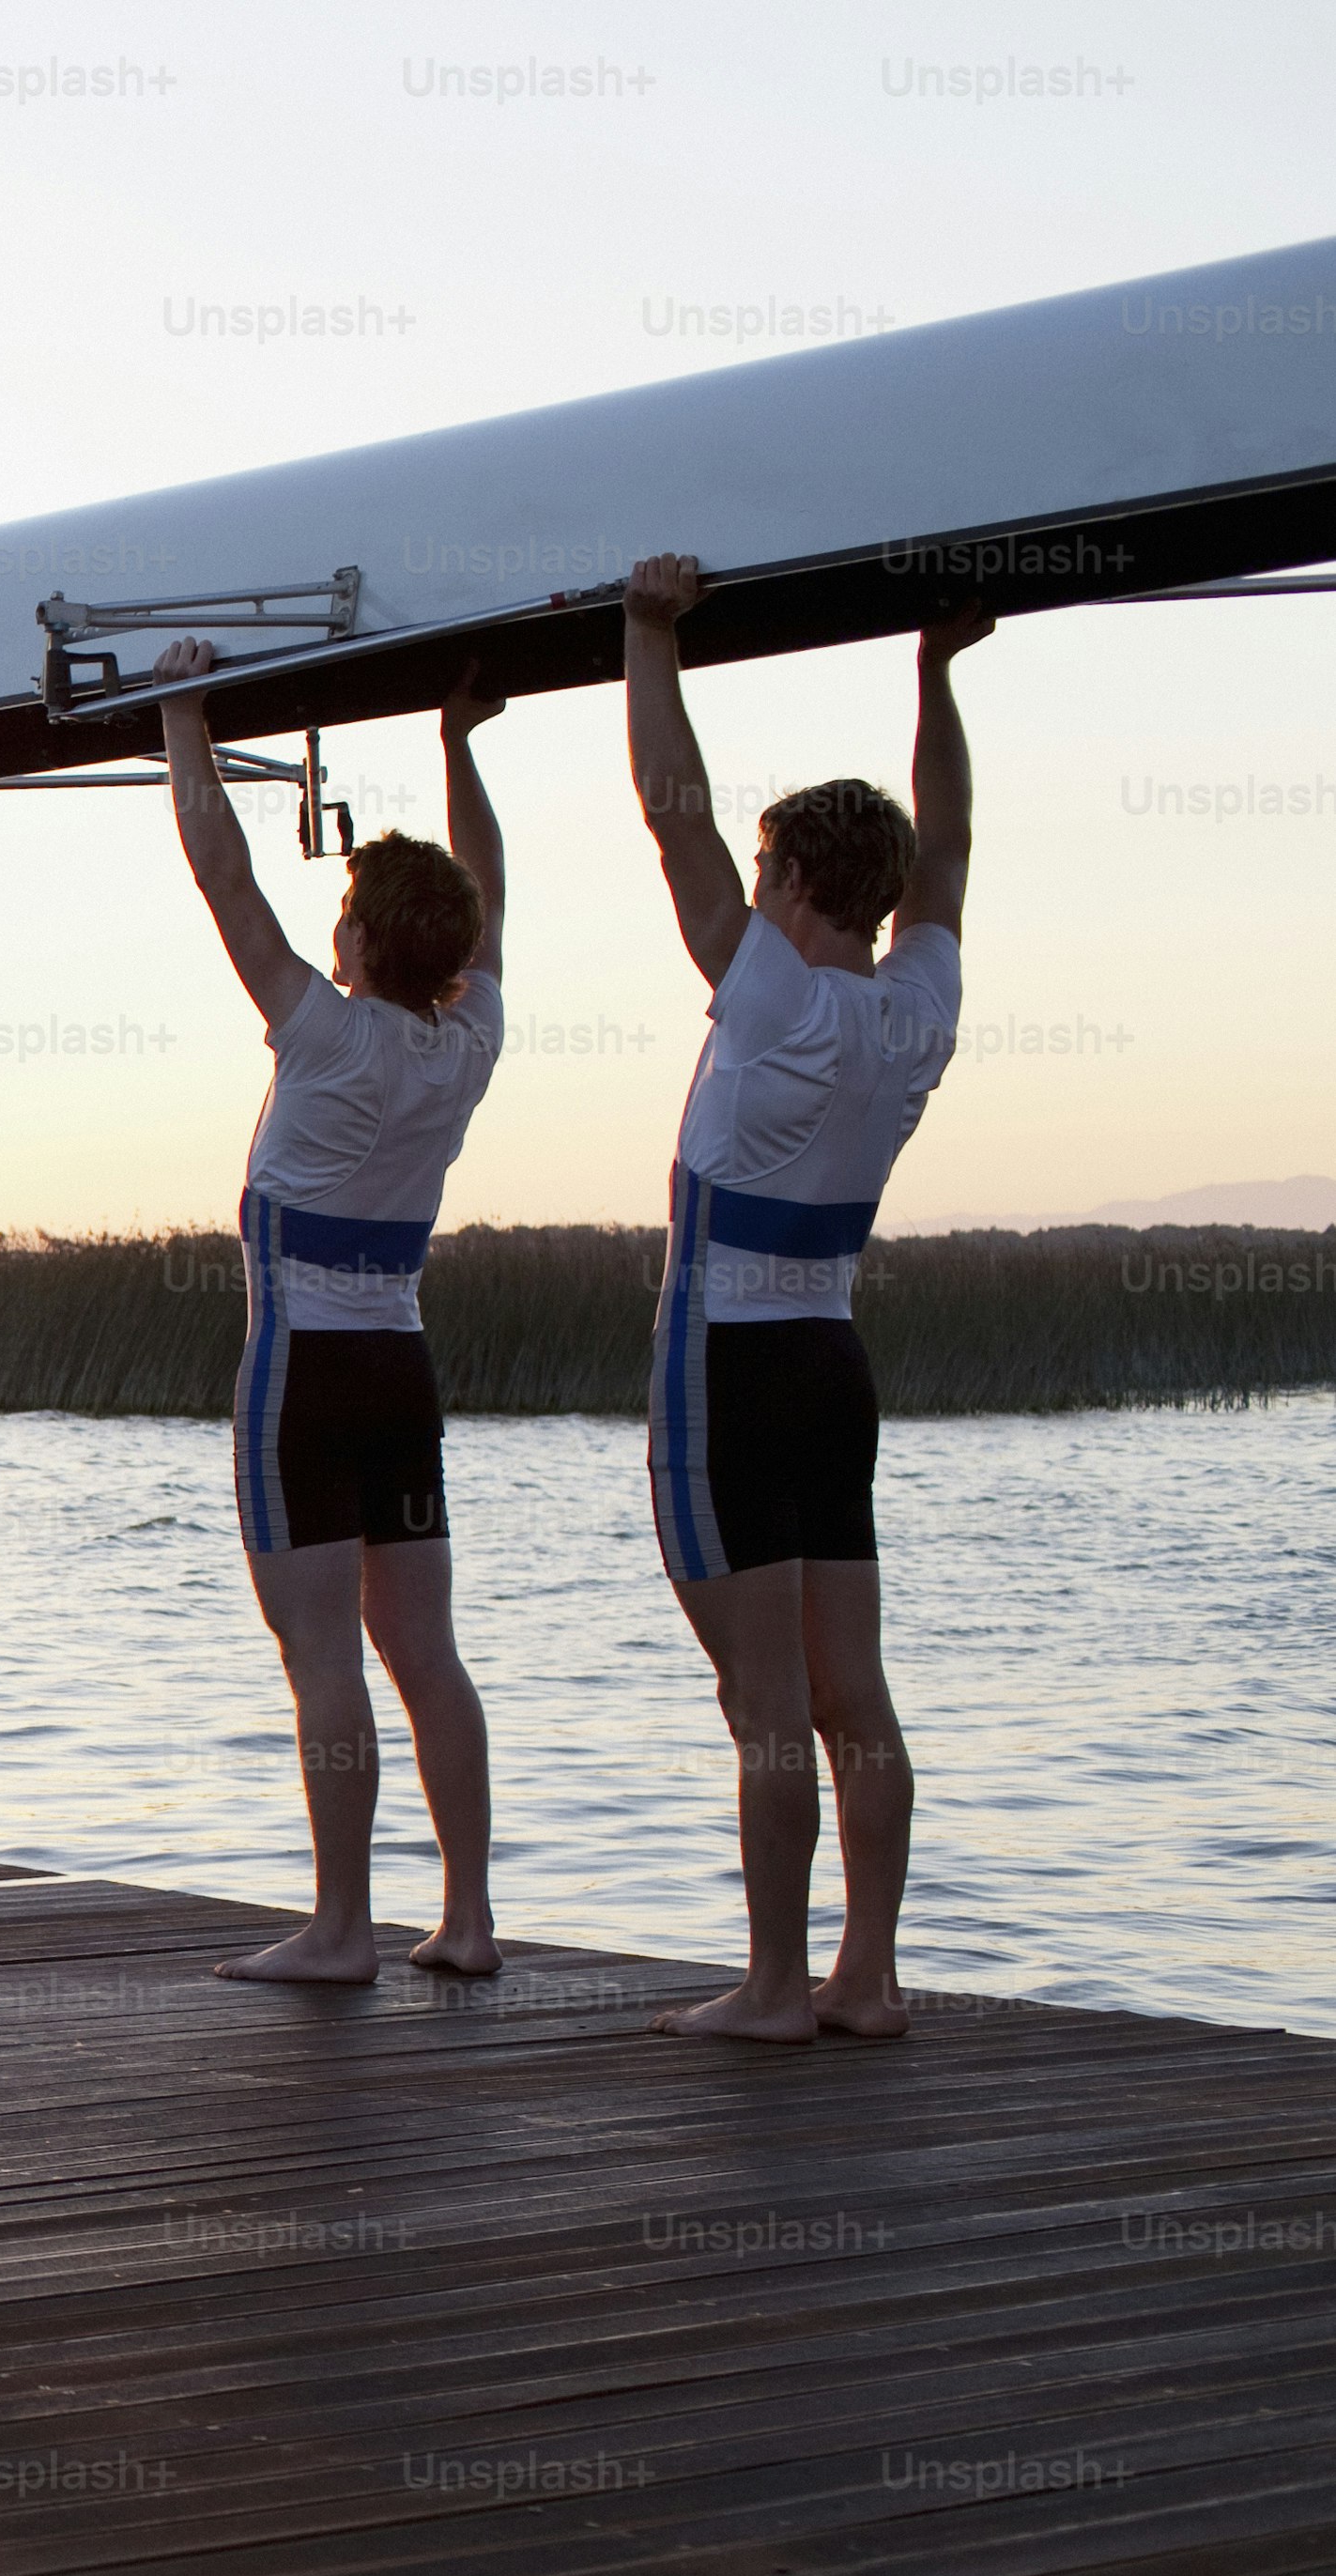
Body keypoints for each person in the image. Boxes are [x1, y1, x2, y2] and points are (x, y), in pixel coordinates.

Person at [622, 553, 988, 2044]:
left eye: (760, 873)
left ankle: (774, 1989)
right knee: (854, 1699)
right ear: (880, 899)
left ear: (781, 885)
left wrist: (647, 636)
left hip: (724, 1369)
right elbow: (950, 847)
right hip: (833, 1367)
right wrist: (935, 671)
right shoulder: (916, 1013)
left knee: (763, 1706)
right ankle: (867, 1979)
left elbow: (670, 813)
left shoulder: (765, 990)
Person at [149, 647, 511, 1982]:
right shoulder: (466, 1042)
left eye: (346, 910)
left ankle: (343, 1928)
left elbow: (220, 870)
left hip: (299, 1376)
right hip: (399, 1373)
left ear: (357, 945)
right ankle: (466, 1920)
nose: (334, 923)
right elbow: (490, 903)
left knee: (320, 1658)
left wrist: (183, 714)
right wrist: (456, 746)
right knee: (425, 1655)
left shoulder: (319, 1028)